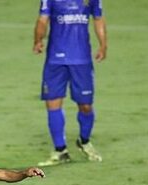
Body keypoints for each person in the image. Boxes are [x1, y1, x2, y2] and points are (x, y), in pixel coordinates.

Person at [33, 0, 107, 165]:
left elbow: (98, 18)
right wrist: (38, 39)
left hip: (81, 60)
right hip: (55, 59)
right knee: (52, 103)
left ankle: (84, 141)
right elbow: (42, 20)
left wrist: (103, 44)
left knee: (86, 105)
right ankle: (60, 150)